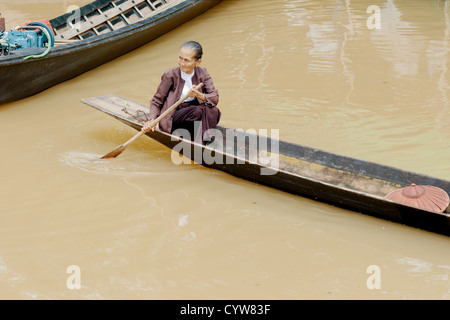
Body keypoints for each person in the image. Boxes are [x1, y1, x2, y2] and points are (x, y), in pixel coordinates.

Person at [142, 41, 221, 144]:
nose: (182, 63)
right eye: (180, 58)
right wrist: (152, 119)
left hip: (194, 116)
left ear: (198, 62)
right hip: (174, 115)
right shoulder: (170, 75)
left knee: (213, 111)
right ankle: (201, 142)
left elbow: (215, 98)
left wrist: (199, 95)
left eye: (187, 60)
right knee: (199, 111)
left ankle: (200, 138)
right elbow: (156, 101)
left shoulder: (203, 74)